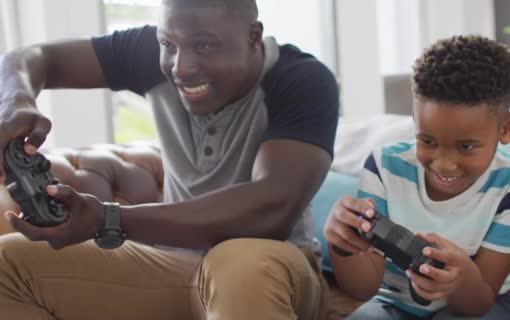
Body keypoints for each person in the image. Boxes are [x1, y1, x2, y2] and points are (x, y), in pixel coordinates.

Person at [0, 0, 339, 319]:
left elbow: (272, 208)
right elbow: (33, 56)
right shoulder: (154, 54)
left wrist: (109, 219)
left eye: (204, 45)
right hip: (173, 264)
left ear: (253, 36)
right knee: (6, 264)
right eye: (168, 45)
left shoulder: (302, 80)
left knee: (240, 262)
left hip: (274, 267)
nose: (181, 67)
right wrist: (17, 99)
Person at [323, 35, 510, 320]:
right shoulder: (384, 165)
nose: (444, 165)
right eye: (427, 141)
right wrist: (342, 246)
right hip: (393, 305)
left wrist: (462, 277)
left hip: (475, 307)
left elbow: (478, 303)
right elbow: (362, 288)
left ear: (508, 128)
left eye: (466, 147)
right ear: (415, 118)